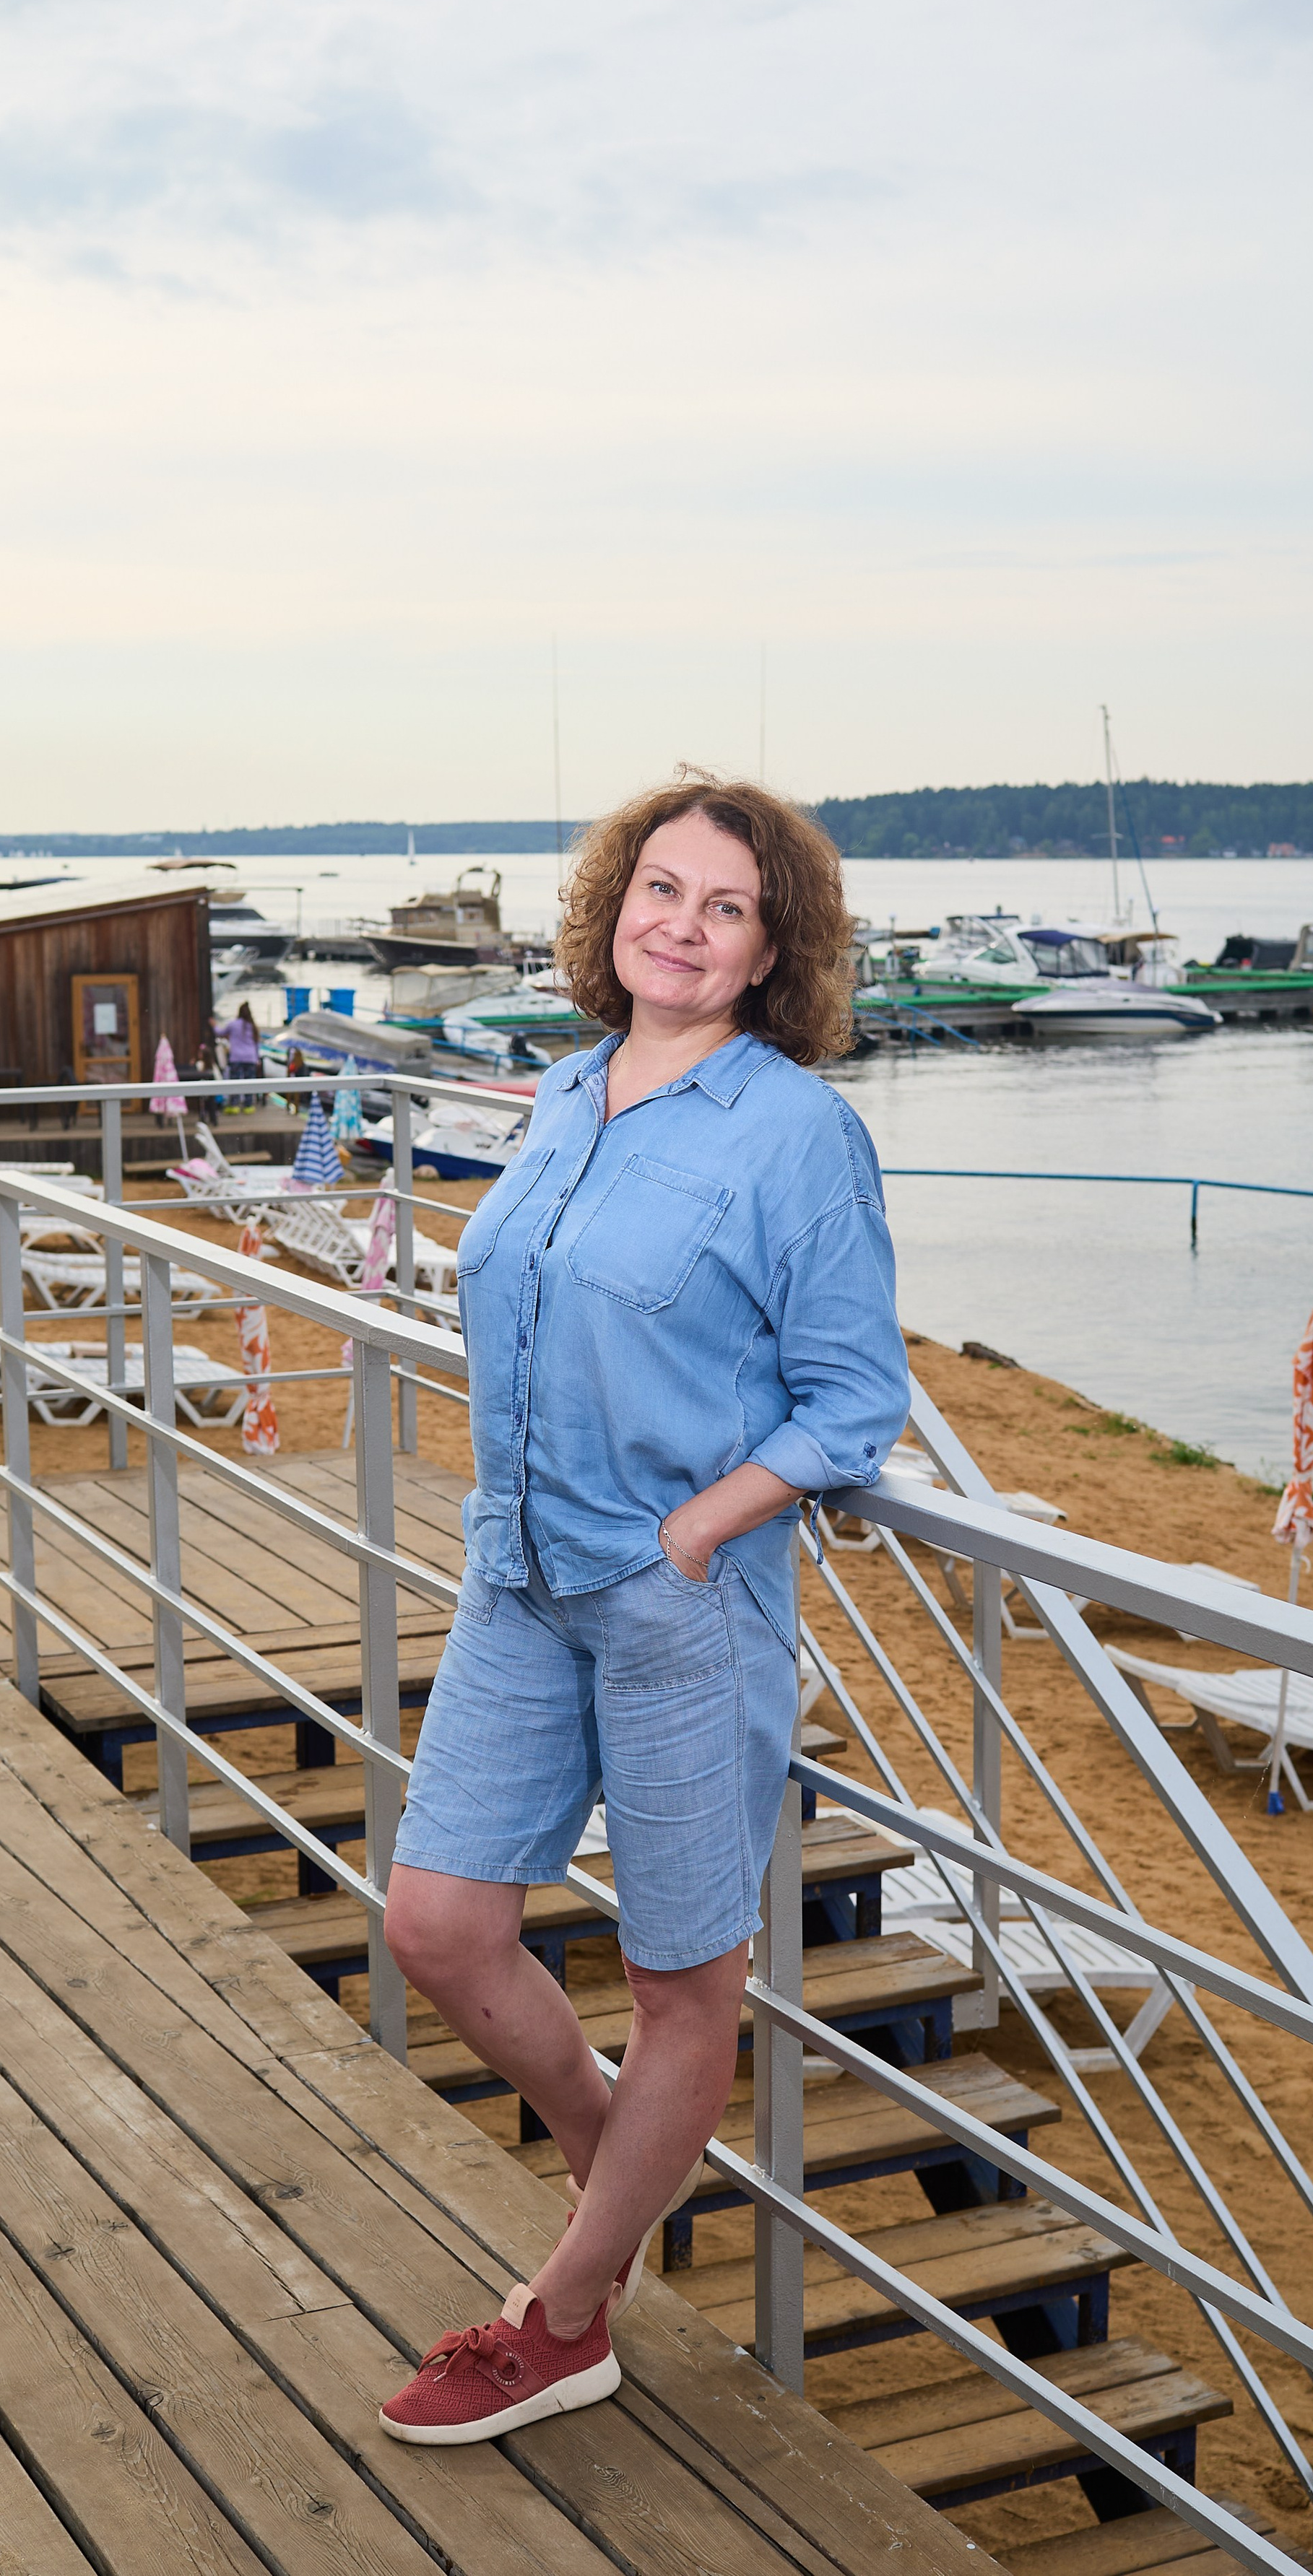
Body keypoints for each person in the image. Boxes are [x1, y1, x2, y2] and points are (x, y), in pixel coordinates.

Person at [377, 772, 910, 2445]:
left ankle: (564, 2312)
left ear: (769, 952)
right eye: (657, 889)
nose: (679, 924)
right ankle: (626, 2152)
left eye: (724, 907)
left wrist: (694, 1533)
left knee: (683, 1977)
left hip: (681, 1604)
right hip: (514, 1573)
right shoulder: (557, 1090)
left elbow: (850, 1401)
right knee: (438, 1923)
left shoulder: (797, 1132)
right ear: (614, 908)